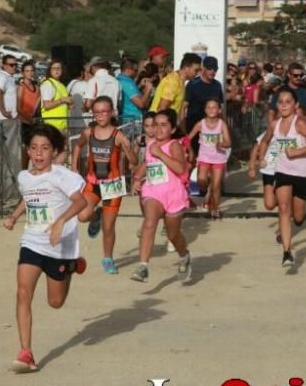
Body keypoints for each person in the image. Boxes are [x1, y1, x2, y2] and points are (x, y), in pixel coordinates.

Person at [3, 125, 89, 373]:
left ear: (54, 152)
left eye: (45, 148)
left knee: (55, 302)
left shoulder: (62, 176)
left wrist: (60, 222)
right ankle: (26, 352)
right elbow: (28, 198)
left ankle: (71, 266)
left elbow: (80, 201)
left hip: (59, 245)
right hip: (32, 241)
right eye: (34, 148)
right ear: (28, 151)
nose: (39, 154)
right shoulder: (24, 177)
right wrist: (14, 216)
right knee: (22, 293)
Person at [73, 96, 138, 275]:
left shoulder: (118, 136)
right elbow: (78, 146)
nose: (100, 115)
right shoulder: (89, 132)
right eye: (97, 112)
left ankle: (108, 258)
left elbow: (134, 162)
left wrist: (128, 148)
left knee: (109, 227)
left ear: (111, 113)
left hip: (112, 186)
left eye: (104, 111)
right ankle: (95, 217)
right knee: (82, 215)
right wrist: (73, 167)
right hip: (93, 183)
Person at [258, 86, 306, 269]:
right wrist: (262, 158)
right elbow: (265, 141)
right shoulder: (274, 124)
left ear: (295, 105)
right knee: (284, 208)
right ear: (276, 105)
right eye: (280, 102)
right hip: (282, 171)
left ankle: (298, 217)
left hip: (302, 173)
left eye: (288, 102)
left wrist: (297, 151)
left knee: (299, 216)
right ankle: (287, 252)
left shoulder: (300, 122)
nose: (284, 105)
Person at [131, 108, 192, 284]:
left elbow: (181, 168)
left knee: (173, 235)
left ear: (172, 129)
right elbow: (146, 163)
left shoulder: (174, 145)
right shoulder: (150, 144)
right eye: (156, 125)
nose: (158, 129)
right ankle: (143, 266)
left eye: (164, 125)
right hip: (153, 191)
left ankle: (184, 255)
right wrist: (136, 178)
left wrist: (161, 154)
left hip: (173, 195)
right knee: (149, 223)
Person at [188, 98, 232, 219]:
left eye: (214, 108)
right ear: (205, 110)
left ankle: (215, 208)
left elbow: (229, 142)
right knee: (202, 180)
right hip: (204, 157)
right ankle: (208, 191)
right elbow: (189, 137)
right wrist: (186, 148)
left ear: (219, 110)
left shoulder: (222, 124)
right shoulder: (200, 124)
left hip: (218, 158)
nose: (212, 110)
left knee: (216, 185)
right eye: (209, 107)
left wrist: (221, 144)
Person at [151, 52, 201, 120]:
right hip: (159, 126)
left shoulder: (180, 81)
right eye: (196, 70)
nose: (198, 73)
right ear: (186, 67)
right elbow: (161, 109)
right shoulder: (173, 82)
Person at [183, 55, 224, 139]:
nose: (212, 71)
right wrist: (183, 130)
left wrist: (223, 128)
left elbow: (220, 109)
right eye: (209, 68)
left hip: (212, 129)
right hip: (193, 127)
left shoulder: (218, 85)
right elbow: (183, 108)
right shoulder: (193, 84)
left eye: (215, 69)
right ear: (203, 68)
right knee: (194, 151)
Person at [248, 128, 281, 216]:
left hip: (285, 171)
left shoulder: (295, 131)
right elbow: (256, 147)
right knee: (269, 205)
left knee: (284, 203)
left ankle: (282, 225)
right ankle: (283, 199)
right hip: (269, 171)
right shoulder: (271, 131)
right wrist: (252, 167)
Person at [116, 56, 153, 125]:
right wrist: (148, 89)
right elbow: (141, 104)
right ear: (128, 70)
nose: (137, 73)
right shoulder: (126, 83)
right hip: (132, 121)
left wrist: (140, 87)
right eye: (136, 70)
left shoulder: (123, 81)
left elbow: (129, 97)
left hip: (130, 119)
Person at [17, 61, 41, 168]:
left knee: (35, 148)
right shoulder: (21, 87)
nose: (30, 73)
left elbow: (38, 105)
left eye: (31, 71)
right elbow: (18, 108)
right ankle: (23, 172)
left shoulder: (37, 87)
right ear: (23, 73)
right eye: (27, 71)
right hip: (25, 122)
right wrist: (29, 119)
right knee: (25, 149)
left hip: (34, 122)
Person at [38, 58, 72, 131]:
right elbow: (46, 105)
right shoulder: (48, 84)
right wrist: (62, 100)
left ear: (62, 70)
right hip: (52, 127)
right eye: (54, 68)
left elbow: (64, 104)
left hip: (62, 126)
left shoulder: (61, 85)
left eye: (59, 68)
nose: (56, 70)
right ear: (50, 70)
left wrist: (70, 104)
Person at [0, 55, 19, 122]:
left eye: (16, 64)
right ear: (4, 66)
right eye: (12, 65)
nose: (14, 67)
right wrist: (4, 112)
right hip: (4, 119)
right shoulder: (2, 77)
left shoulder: (9, 77)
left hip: (10, 118)